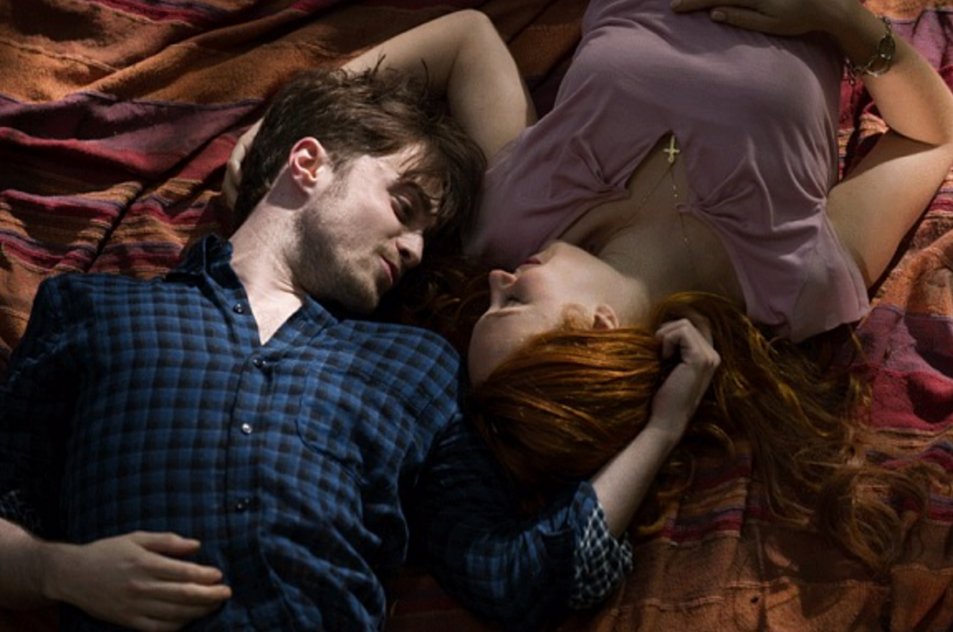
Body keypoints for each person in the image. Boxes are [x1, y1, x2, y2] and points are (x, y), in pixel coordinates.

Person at [0, 60, 721, 632]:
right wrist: (62, 570)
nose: (415, 249)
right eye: (405, 206)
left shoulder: (417, 368)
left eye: (427, 235)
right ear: (308, 164)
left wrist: (663, 426)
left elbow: (517, 579)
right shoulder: (93, 308)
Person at [224, 0, 953, 576]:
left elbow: (468, 39)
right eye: (514, 302)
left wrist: (300, 111)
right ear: (598, 325)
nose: (497, 279)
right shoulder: (792, 282)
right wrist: (840, 19)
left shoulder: (508, 221)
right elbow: (932, 136)